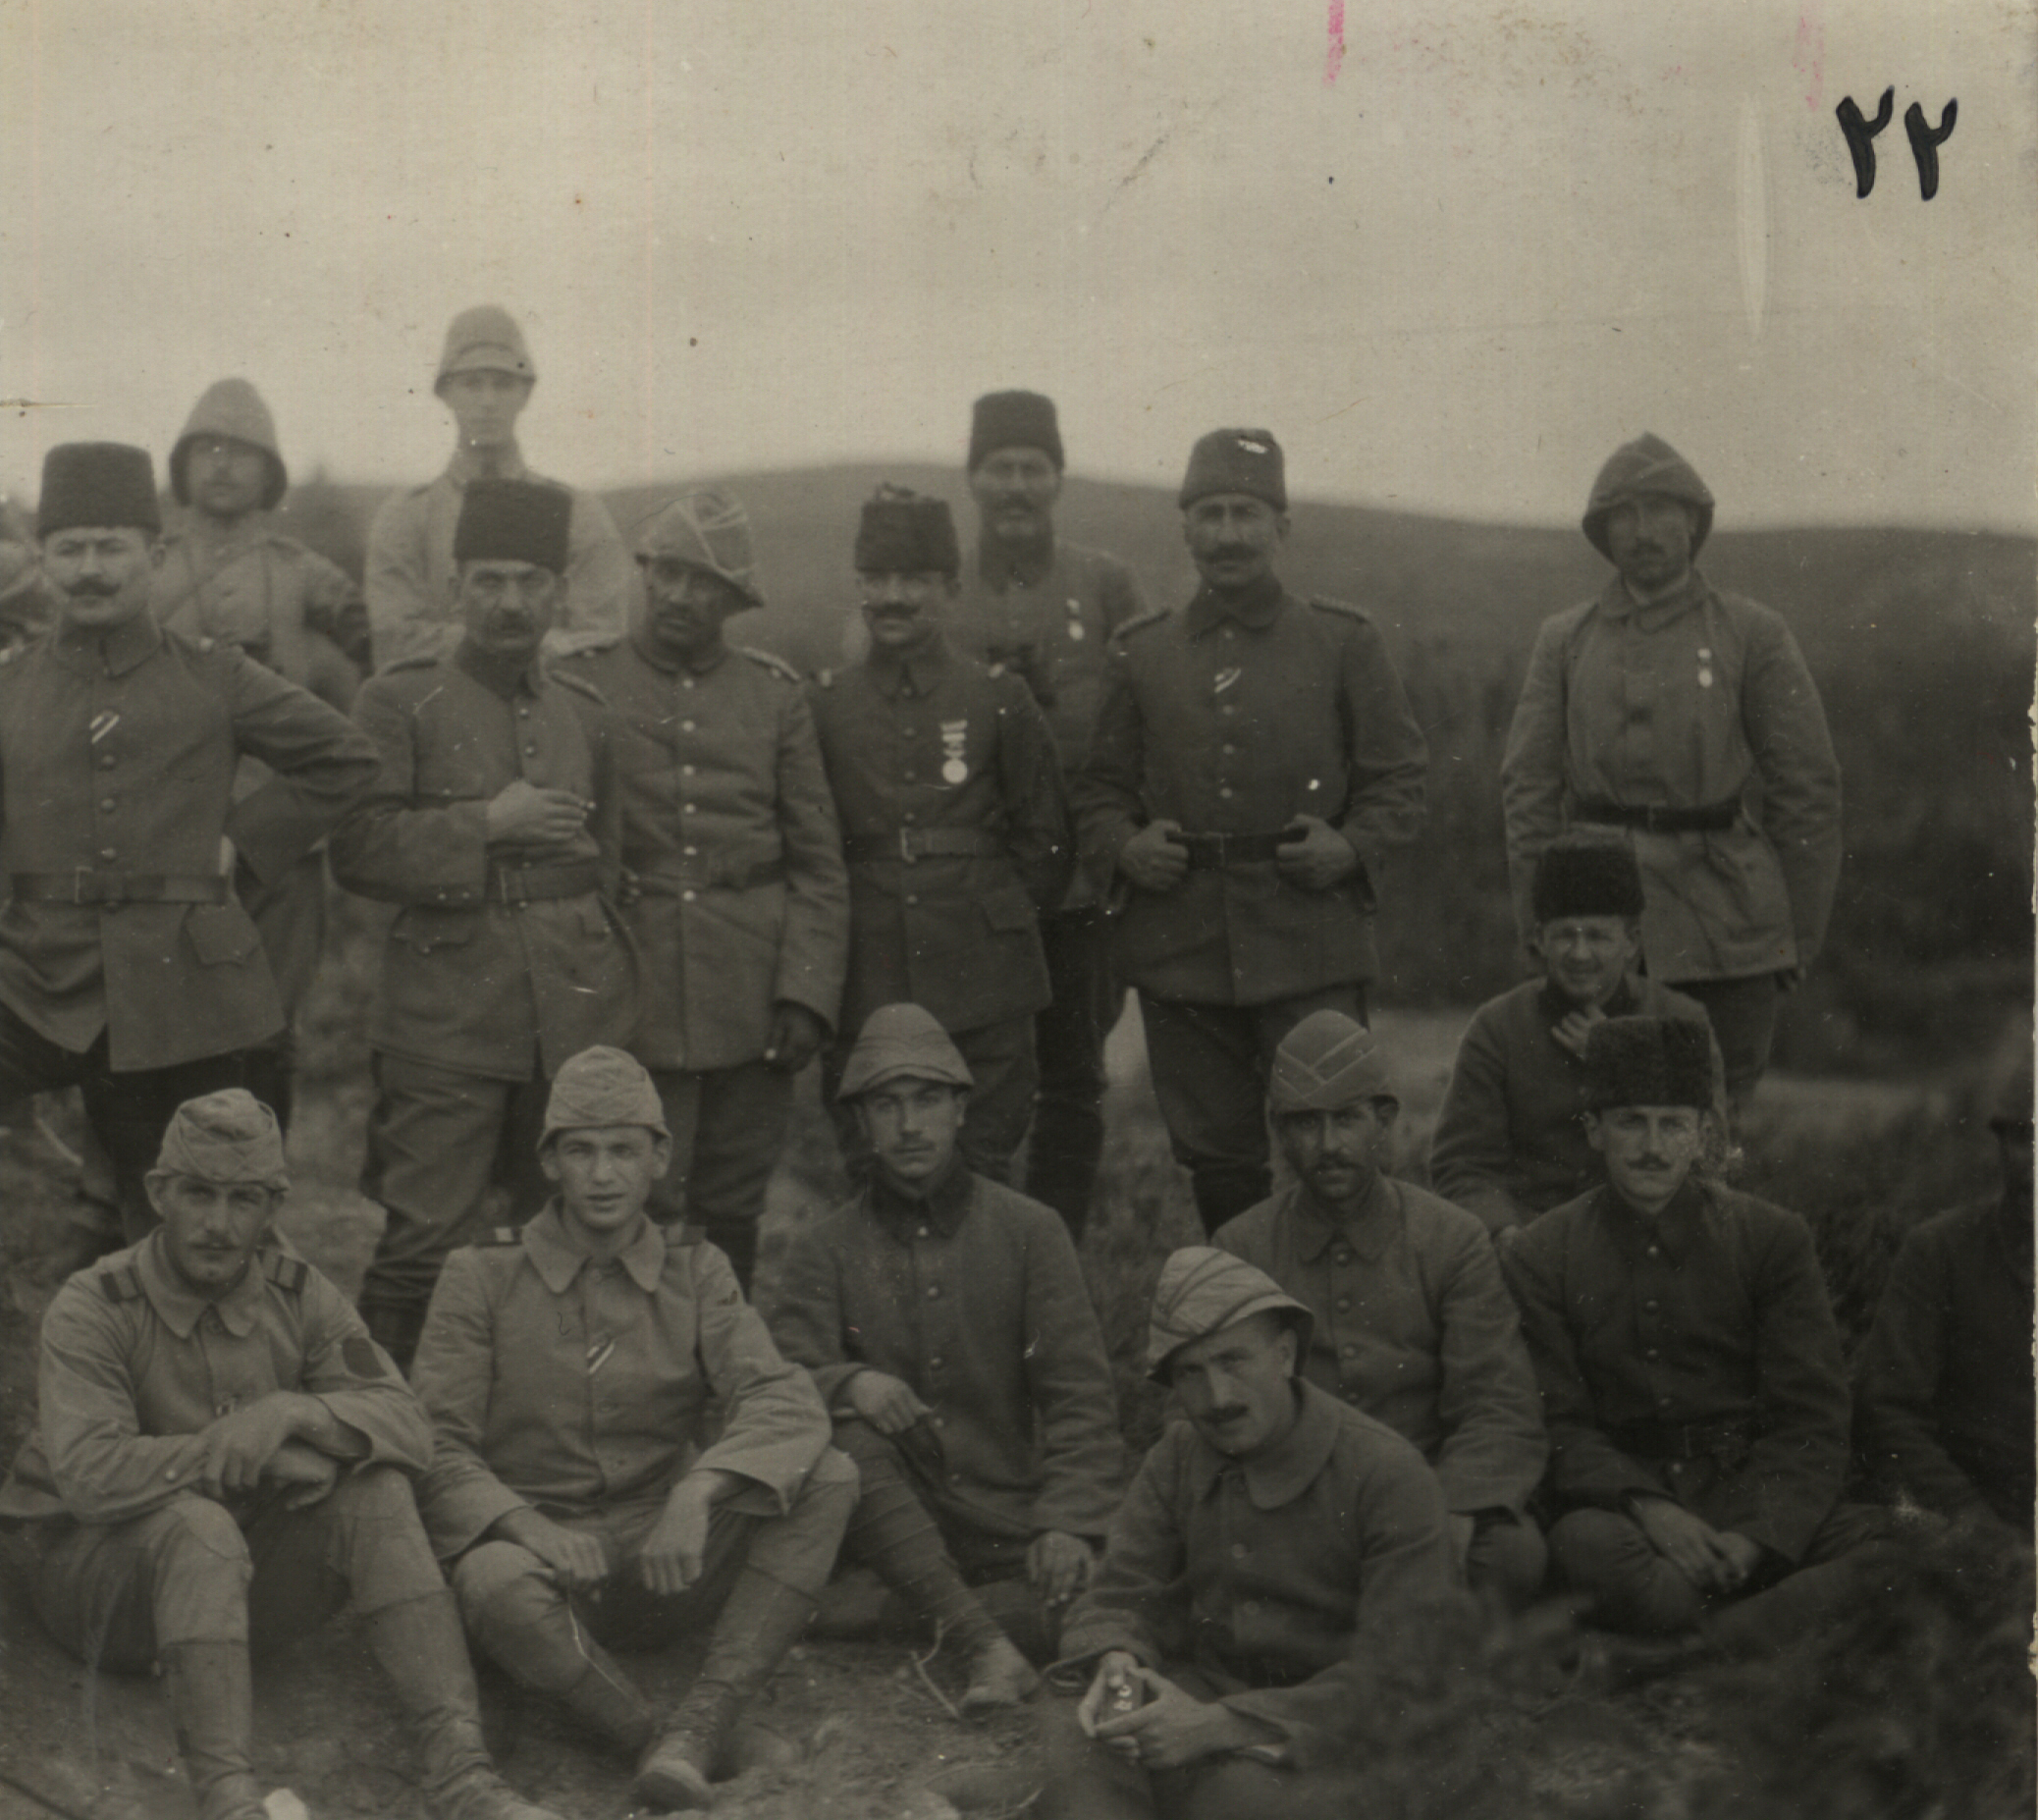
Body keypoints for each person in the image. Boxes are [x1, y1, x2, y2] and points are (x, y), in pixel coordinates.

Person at [0, 1091, 562, 1820]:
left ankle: (463, 1774)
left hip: (229, 1573)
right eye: (199, 1195)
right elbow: (90, 1477)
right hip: (93, 1580)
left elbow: (407, 1425)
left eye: (244, 1200)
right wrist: (251, 1457)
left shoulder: (301, 1294)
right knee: (198, 1528)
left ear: (274, 1207)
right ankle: (230, 1798)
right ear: (158, 1194)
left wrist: (293, 1413)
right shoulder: (96, 1303)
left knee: (377, 1492)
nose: (217, 1224)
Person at [410, 1046, 858, 1813]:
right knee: (489, 1583)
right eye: (580, 1151)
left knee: (832, 1476)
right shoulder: (480, 1275)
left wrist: (699, 1487)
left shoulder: (698, 1270)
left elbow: (784, 1399)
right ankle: (659, 1738)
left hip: (666, 1560)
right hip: (549, 1574)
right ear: (550, 1163)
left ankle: (706, 1718)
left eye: (623, 1150)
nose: (603, 1174)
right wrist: (526, 1528)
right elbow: (434, 1445)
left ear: (659, 1158)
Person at [0, 443, 377, 1248]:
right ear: (41, 559)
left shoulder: (216, 676)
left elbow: (348, 759)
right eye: (70, 549)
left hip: (176, 991)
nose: (90, 569)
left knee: (185, 1225)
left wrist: (246, 837)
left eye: (112, 547)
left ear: (156, 554)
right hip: (34, 981)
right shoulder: (9, 687)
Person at [1076, 428, 1427, 1235]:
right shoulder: (1142, 651)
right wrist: (1126, 846)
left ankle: (1352, 1322)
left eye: (1247, 513)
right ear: (1186, 529)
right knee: (1218, 1158)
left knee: (1336, 1136)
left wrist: (1351, 847)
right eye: (1210, 514)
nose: (1229, 533)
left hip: (1310, 938)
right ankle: (1247, 1321)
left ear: (1282, 528)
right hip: (1182, 948)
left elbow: (1400, 779)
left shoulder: (1343, 642)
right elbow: (1098, 789)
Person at [331, 477, 637, 1367]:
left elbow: (607, 866)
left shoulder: (587, 711)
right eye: (490, 579)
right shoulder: (397, 700)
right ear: (456, 586)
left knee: (565, 1236)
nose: (511, 602)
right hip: (445, 1016)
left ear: (560, 592)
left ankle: (530, 1432)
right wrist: (483, 828)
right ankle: (381, 1434)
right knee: (426, 1244)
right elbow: (356, 847)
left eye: (531, 581)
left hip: (574, 1018)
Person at [766, 1003, 1125, 1712]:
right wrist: (850, 1383)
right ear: (860, 1122)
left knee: (1117, 1595)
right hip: (883, 1529)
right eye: (886, 1105)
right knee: (848, 1440)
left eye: (927, 1100)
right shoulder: (824, 1248)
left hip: (1006, 1525)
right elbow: (772, 1387)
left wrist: (1069, 1522)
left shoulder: (1029, 1231)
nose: (908, 1126)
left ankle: (903, 1615)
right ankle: (982, 1643)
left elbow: (1079, 1395)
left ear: (962, 1108)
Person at [1500, 1016, 1886, 1660]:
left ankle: (1674, 1654)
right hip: (1626, 1516)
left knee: (1907, 1541)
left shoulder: (1770, 1238)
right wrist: (1653, 1511)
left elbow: (1811, 1416)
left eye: (1672, 1124)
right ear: (1594, 1129)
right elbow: (1557, 1424)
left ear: (1704, 1134)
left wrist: (1757, 1537)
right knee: (1583, 1549)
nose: (1652, 1146)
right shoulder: (1543, 1254)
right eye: (1631, 1122)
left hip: (1751, 1488)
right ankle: (1762, 1624)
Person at [1042, 1247, 1467, 1820]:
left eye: (1233, 1361)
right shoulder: (1177, 1456)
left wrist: (1220, 1726)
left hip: (1330, 1729)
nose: (1217, 1398)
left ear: (1285, 1353)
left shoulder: (1388, 1474)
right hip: (1198, 1696)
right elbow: (1121, 1591)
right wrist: (1117, 1660)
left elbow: (1404, 1676)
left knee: (1238, 1800)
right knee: (1086, 1736)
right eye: (1191, 1373)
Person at [1500, 434, 1842, 1108]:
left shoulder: (1752, 633)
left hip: (1730, 924)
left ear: (1693, 522)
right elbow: (1528, 788)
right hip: (1599, 925)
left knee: (1714, 1121)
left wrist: (1797, 933)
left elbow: (1809, 787)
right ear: (1602, 532)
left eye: (1661, 510)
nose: (1643, 531)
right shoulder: (1566, 639)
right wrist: (1542, 922)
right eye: (1622, 514)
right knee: (1591, 1116)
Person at [561, 488, 847, 1290]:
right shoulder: (582, 684)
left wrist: (806, 994)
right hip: (629, 983)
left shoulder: (775, 694)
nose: (683, 595)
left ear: (733, 599)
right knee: (625, 1194)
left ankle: (724, 1366)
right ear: (644, 574)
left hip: (749, 990)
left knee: (731, 1201)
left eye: (706, 582)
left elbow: (818, 864)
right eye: (670, 573)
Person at [1212, 1011, 1548, 1612]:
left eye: (1347, 1118)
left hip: (1428, 1493)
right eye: (1306, 1124)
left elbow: (1497, 1401)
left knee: (1513, 1558)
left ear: (1385, 1120)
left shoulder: (1453, 1238)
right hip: (1294, 1500)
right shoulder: (1241, 1248)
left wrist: (1454, 1512)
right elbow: (1208, 1411)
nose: (1329, 1146)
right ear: (1278, 1131)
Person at [807, 487, 1072, 1181]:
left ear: (950, 589)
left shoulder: (998, 698)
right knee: (873, 1171)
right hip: (866, 977)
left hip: (984, 980)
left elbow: (1045, 839)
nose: (892, 597)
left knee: (981, 1167)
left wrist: (992, 920)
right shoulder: (825, 703)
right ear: (859, 587)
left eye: (914, 580)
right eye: (877, 580)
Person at [946, 391, 1149, 1235]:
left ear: (1059, 479)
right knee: (965, 1068)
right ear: (973, 479)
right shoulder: (937, 588)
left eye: (1034, 468)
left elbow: (1148, 723)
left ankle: (1053, 1251)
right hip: (971, 885)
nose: (1017, 486)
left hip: (1078, 887)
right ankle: (967, 1245)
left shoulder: (1105, 585)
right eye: (1001, 469)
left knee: (1072, 1076)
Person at [152, 377, 369, 1123]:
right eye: (206, 449)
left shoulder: (300, 569)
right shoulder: (149, 567)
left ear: (270, 471)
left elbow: (378, 645)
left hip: (279, 829)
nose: (221, 465)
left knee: (272, 1018)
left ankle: (256, 1187)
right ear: (181, 464)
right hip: (166, 825)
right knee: (154, 1011)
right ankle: (122, 1198)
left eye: (242, 452)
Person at [1429, 834, 1725, 1234]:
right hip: (1529, 1240)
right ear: (1540, 939)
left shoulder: (1681, 1020)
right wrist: (1506, 1235)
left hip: (1647, 1240)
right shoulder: (1498, 1027)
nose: (1580, 954)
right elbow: (1462, 1166)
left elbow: (1711, 1160)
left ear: (1632, 941)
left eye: (1598, 936)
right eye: (1566, 934)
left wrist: (1619, 1055)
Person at [364, 305, 632, 669]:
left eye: (503, 384)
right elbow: (397, 643)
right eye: (472, 383)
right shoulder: (406, 518)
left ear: (525, 393)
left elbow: (602, 638)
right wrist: (529, 646)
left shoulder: (577, 513)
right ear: (445, 392)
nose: (487, 401)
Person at [1854, 1028, 2034, 1536]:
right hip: (1969, 1525)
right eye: (2025, 1139)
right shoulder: (1941, 1252)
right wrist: (1972, 1520)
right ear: (2001, 1146)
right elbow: (1887, 1407)